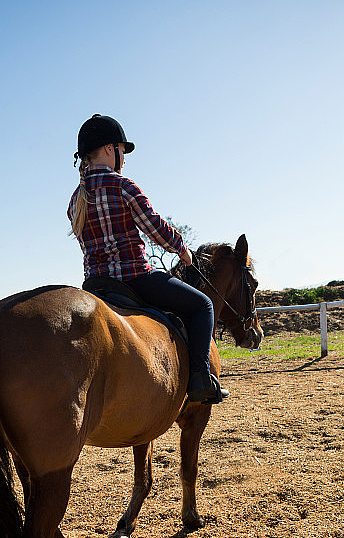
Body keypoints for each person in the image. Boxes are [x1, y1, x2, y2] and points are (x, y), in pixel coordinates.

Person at [67, 113, 228, 404]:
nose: (124, 159)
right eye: (122, 150)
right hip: (135, 278)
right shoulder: (123, 186)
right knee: (203, 305)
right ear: (109, 149)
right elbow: (155, 228)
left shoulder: (75, 199)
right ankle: (200, 379)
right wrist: (182, 249)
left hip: (95, 284)